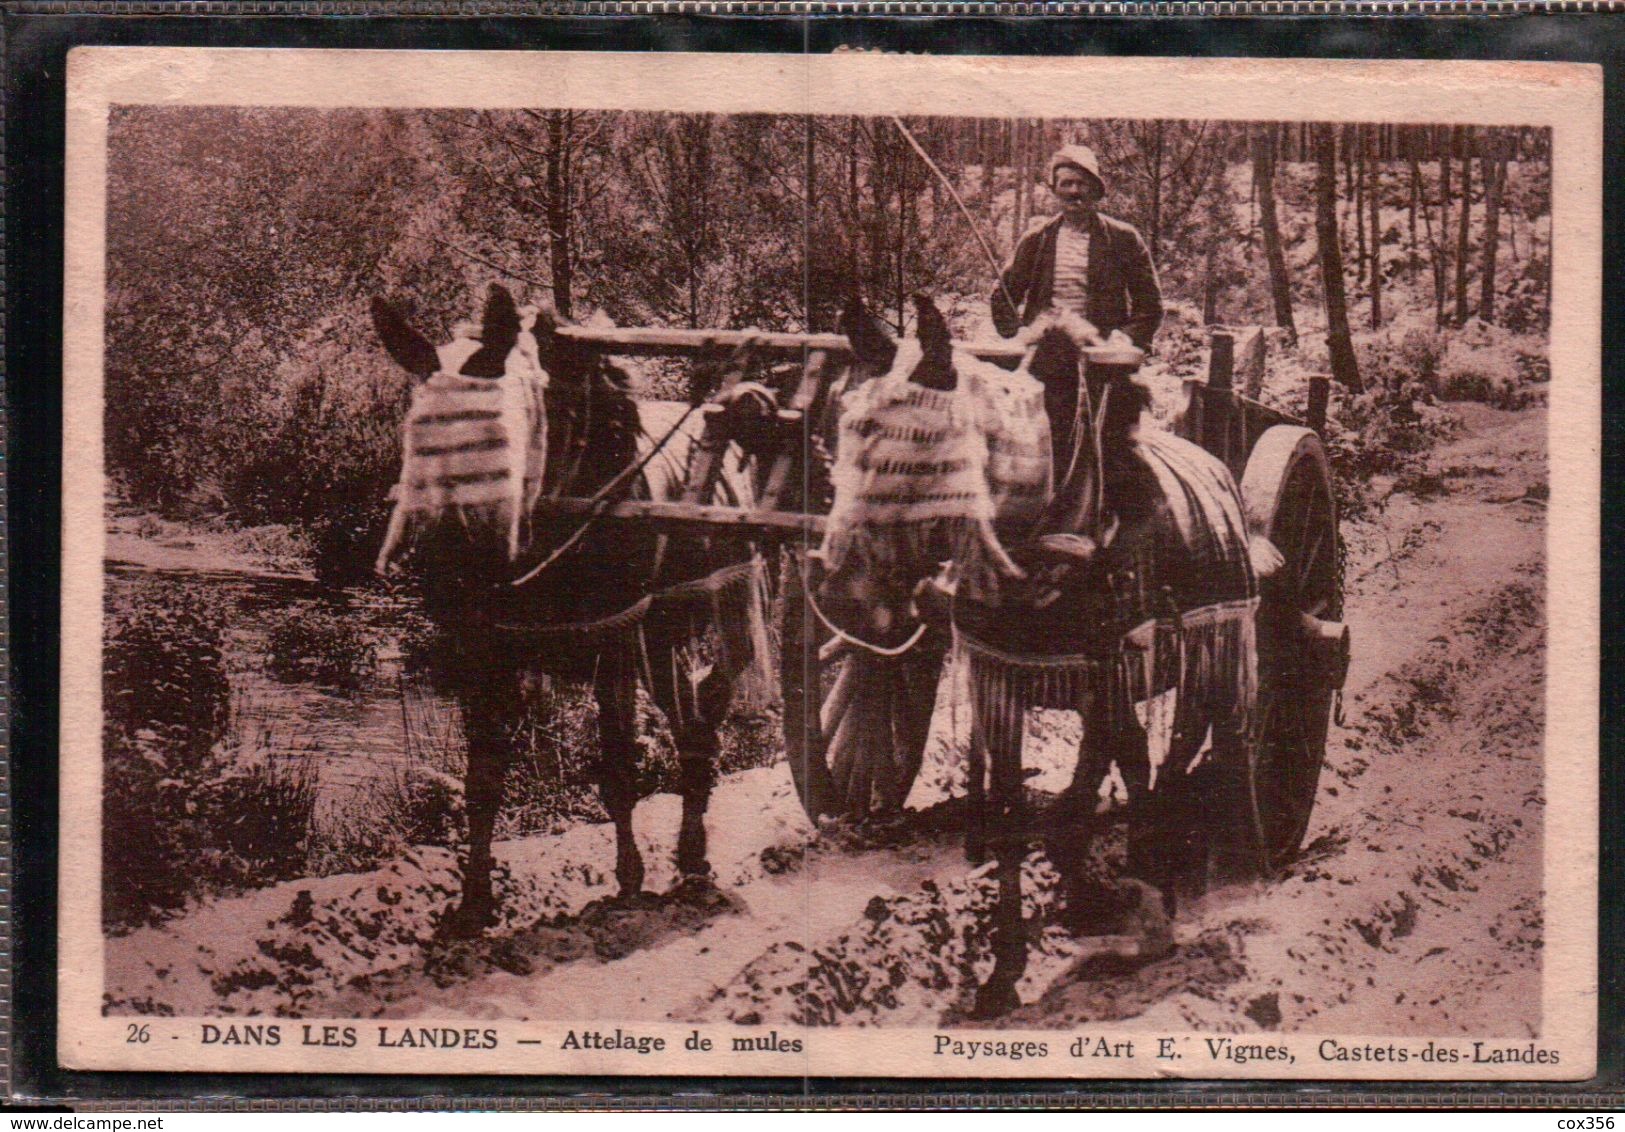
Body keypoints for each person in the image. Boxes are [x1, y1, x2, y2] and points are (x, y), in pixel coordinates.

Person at [990, 144, 1164, 479]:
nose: (1074, 192)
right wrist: (1020, 334)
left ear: (1096, 190)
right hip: (1045, 358)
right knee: (1023, 440)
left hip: (1101, 359)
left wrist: (1122, 338)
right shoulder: (1037, 239)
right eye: (1066, 184)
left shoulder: (1122, 239)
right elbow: (1002, 297)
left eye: (1081, 184)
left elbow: (1150, 305)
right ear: (1055, 190)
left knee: (1117, 450)